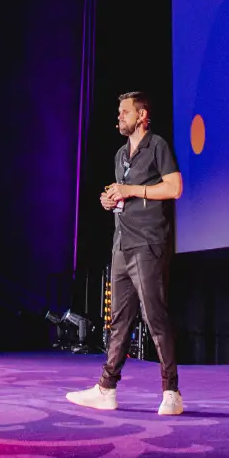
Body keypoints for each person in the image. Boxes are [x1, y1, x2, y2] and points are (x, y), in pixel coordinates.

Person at [67, 90, 183, 415]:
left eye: (125, 112)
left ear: (142, 116)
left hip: (148, 244)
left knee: (154, 316)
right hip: (121, 244)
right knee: (118, 320)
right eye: (119, 112)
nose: (119, 117)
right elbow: (125, 197)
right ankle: (106, 389)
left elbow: (174, 187)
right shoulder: (121, 155)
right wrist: (112, 200)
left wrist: (130, 189)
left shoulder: (157, 146)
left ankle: (171, 392)